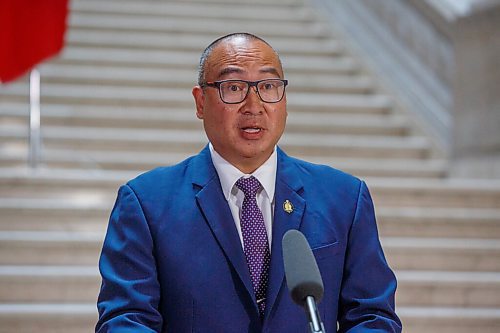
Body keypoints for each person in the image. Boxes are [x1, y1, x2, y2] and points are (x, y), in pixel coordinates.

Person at [96, 32, 402, 332]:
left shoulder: (344, 198)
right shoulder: (146, 202)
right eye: (234, 87)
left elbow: (373, 316)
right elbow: (126, 319)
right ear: (200, 102)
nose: (254, 105)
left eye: (268, 86)